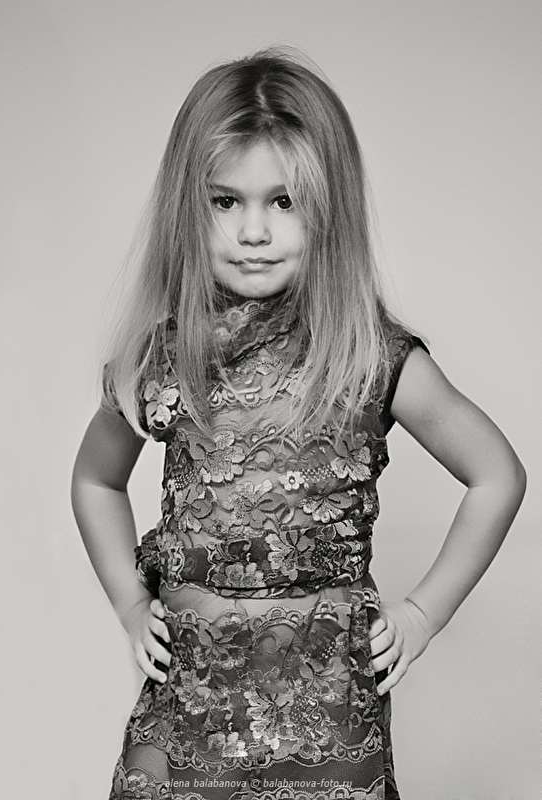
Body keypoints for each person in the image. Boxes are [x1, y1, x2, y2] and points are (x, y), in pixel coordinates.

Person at [71, 47, 526, 800]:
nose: (253, 231)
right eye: (225, 202)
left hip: (327, 716)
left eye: (284, 202)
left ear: (329, 208)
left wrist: (422, 615)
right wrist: (128, 600)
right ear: (187, 207)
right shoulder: (166, 359)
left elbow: (497, 475)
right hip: (189, 709)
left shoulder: (367, 356)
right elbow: (95, 479)